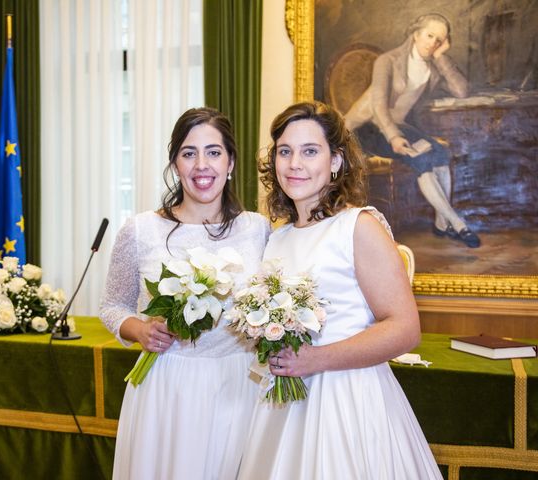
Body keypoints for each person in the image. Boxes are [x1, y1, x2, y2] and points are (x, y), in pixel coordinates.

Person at [238, 101, 442, 479]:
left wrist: (315, 359)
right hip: (284, 406)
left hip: (348, 399)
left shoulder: (358, 226)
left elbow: (404, 328)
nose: (294, 163)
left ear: (336, 161)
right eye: (285, 151)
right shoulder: (277, 237)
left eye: (310, 151)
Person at [100, 107, 271, 480]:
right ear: (175, 164)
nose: (201, 165)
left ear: (231, 162)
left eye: (213, 152)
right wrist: (139, 330)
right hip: (167, 387)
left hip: (239, 384)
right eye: (188, 153)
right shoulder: (141, 230)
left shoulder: (258, 229)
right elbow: (112, 306)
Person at [345, 13, 481, 248]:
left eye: (440, 40)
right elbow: (378, 105)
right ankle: (458, 223)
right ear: (416, 34)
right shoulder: (388, 60)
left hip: (395, 126)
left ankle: (441, 223)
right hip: (366, 128)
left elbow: (462, 91)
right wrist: (395, 137)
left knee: (439, 153)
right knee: (420, 159)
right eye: (429, 36)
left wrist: (441, 57)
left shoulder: (432, 66)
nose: (433, 43)